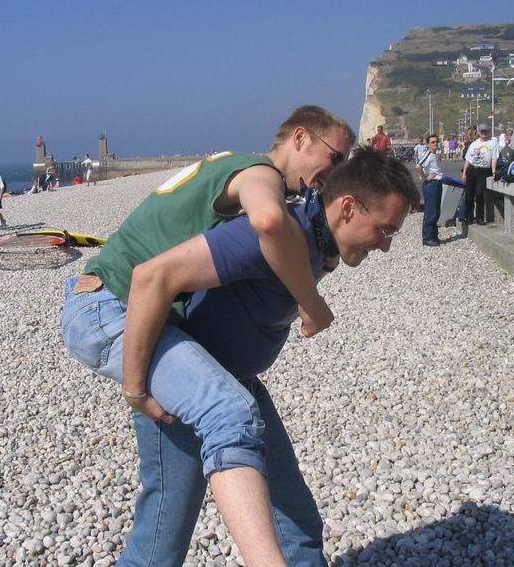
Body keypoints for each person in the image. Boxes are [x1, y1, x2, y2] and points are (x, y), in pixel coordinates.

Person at [89, 150, 419, 567]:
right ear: (348, 207)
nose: (386, 246)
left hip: (238, 382)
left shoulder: (320, 243)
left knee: (296, 523)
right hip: (189, 393)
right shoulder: (273, 236)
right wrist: (136, 388)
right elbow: (155, 275)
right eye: (384, 230)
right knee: (161, 545)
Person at [61, 105, 355, 567]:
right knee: (227, 413)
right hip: (110, 306)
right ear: (300, 138)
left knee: (274, 508)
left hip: (149, 318)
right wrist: (311, 302)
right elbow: (269, 222)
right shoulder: (260, 174)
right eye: (335, 157)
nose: (335, 173)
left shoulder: (240, 171)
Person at [462, 123, 499, 225]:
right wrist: (464, 173)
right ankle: (469, 217)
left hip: (483, 170)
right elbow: (468, 159)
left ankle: (480, 217)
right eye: (482, 131)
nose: (484, 133)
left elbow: (494, 158)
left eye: (485, 131)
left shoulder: (493, 143)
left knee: (479, 194)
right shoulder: (474, 144)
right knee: (469, 194)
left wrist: (494, 171)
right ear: (478, 132)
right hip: (472, 169)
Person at [415, 134, 442, 247]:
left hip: (437, 183)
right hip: (431, 184)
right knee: (431, 211)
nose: (435, 144)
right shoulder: (428, 154)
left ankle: (434, 235)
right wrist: (425, 176)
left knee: (436, 210)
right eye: (432, 142)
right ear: (428, 144)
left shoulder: (435, 154)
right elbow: (418, 166)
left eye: (436, 142)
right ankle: (427, 237)